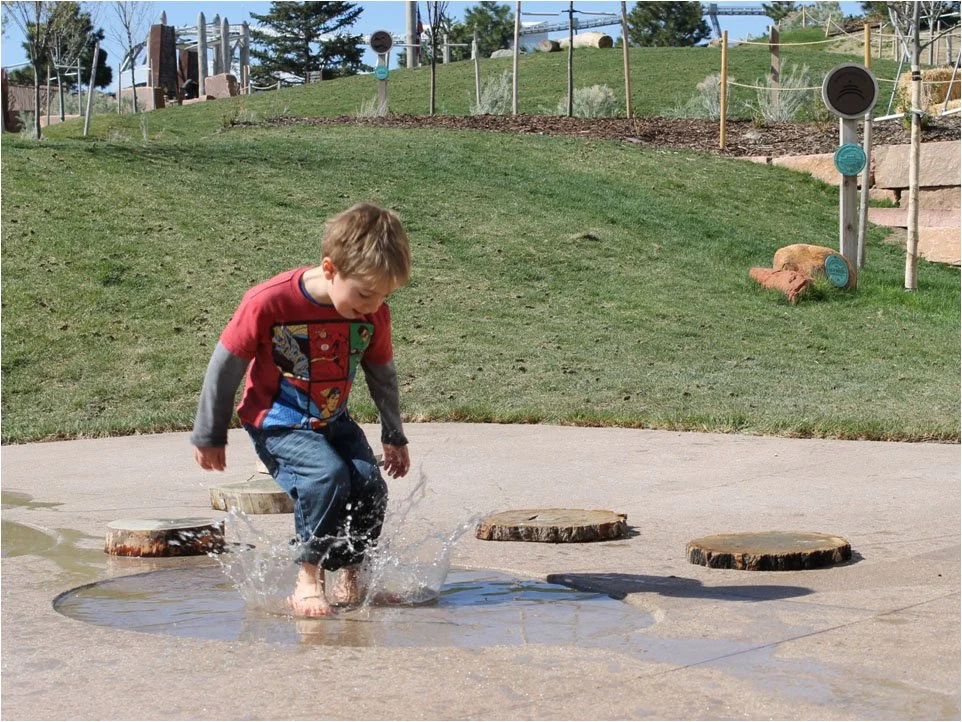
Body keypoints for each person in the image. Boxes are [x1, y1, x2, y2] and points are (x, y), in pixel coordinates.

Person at [190, 203, 412, 617]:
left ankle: (352, 580)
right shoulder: (270, 302)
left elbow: (382, 374)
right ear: (330, 269)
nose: (373, 306)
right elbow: (225, 365)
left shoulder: (372, 313)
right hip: (278, 422)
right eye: (365, 294)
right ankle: (308, 581)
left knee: (369, 484)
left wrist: (393, 433)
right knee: (325, 477)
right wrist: (209, 433)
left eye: (385, 296)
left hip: (333, 420)